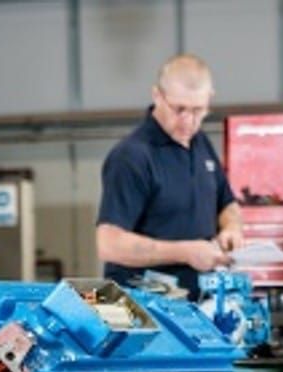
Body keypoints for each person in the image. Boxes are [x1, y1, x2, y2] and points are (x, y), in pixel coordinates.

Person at [95, 53, 243, 300]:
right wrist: (185, 252)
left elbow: (227, 204)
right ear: (157, 96)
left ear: (209, 99)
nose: (188, 121)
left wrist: (231, 228)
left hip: (194, 303)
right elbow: (109, 245)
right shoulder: (132, 157)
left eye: (198, 110)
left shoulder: (201, 144)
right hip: (140, 306)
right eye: (179, 109)